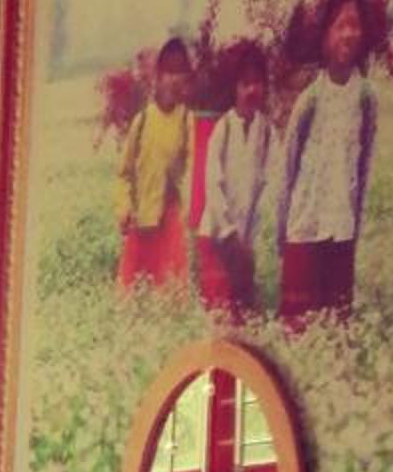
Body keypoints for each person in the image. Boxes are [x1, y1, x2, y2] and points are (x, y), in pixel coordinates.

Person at [278, 0, 379, 325]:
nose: (348, 34)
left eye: (355, 25)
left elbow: (364, 170)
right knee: (298, 332)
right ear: (326, 35)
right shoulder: (310, 99)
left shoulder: (366, 98)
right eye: (340, 25)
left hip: (342, 234)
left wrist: (357, 231)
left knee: (336, 332)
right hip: (304, 233)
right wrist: (283, 235)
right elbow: (288, 171)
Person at [194, 40, 274, 315]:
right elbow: (212, 184)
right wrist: (229, 233)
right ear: (235, 88)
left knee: (243, 317)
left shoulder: (267, 133)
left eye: (257, 83)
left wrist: (251, 241)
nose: (252, 90)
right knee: (218, 315)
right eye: (245, 83)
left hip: (245, 243)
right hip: (217, 237)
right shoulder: (223, 129)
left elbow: (269, 188)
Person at [114, 36, 194, 289]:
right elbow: (124, 173)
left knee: (171, 293)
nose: (175, 79)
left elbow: (192, 171)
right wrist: (124, 207)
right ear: (159, 76)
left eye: (181, 72)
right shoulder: (143, 120)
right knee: (132, 295)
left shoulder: (186, 120)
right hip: (141, 220)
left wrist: (186, 212)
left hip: (171, 222)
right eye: (170, 71)